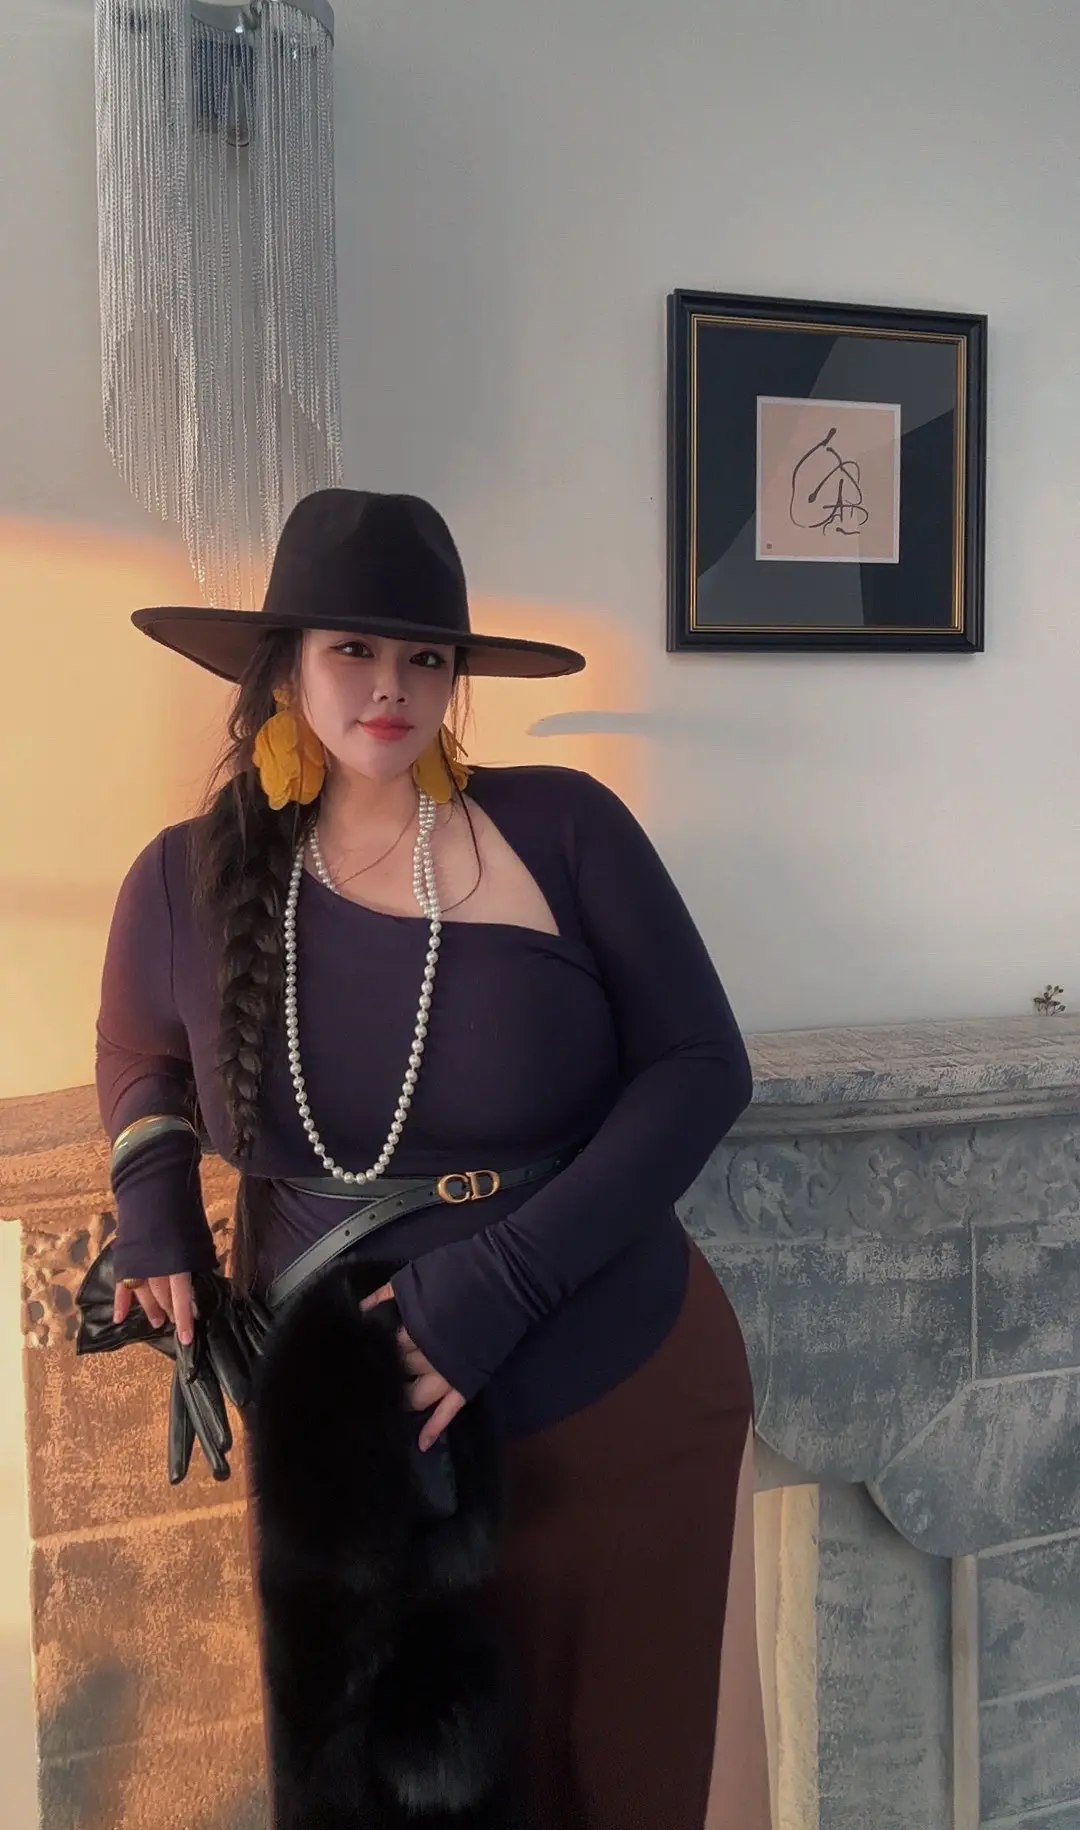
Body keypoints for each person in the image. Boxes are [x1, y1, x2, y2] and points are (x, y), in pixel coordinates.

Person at [95, 488, 770, 1830]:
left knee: (616, 1782)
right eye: (353, 648)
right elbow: (136, 1048)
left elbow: (705, 1068)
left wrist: (496, 1289)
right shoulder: (181, 878)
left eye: (427, 655)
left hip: (607, 1388)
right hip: (354, 1449)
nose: (392, 686)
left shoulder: (566, 829)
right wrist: (151, 1198)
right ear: (284, 665)